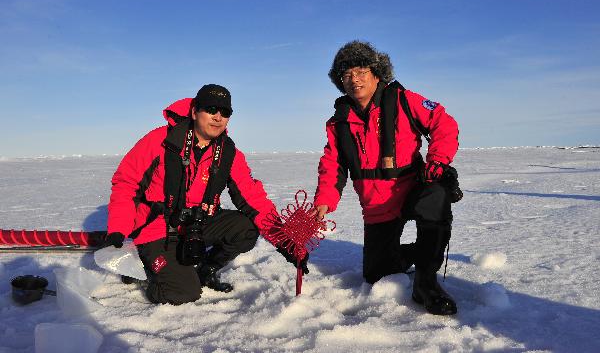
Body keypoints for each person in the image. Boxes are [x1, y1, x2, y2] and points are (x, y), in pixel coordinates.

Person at [103, 84, 307, 305]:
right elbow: (126, 183)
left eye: (225, 112)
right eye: (211, 109)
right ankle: (151, 273)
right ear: (194, 112)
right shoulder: (161, 141)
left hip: (197, 224)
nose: (218, 117)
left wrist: (286, 242)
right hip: (159, 228)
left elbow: (253, 198)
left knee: (246, 228)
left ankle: (205, 270)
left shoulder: (228, 152)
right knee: (183, 294)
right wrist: (118, 228)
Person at [313, 41, 460, 315]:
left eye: (360, 71)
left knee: (436, 196)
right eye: (346, 75)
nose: (354, 79)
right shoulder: (338, 122)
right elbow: (332, 164)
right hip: (377, 206)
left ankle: (426, 283)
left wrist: (437, 161)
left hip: (411, 189)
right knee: (376, 274)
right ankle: (419, 252)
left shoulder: (405, 100)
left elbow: (443, 122)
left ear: (376, 72)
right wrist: (324, 201)